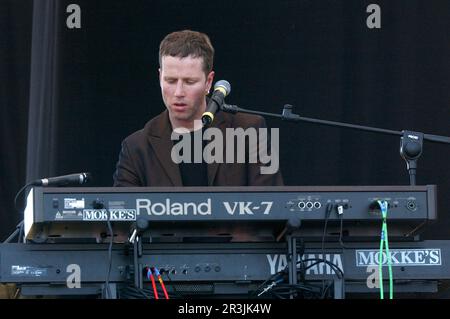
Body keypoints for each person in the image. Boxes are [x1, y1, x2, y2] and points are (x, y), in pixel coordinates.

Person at [113, 30, 283, 187]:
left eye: (189, 82)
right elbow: (121, 216)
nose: (179, 92)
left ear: (208, 82)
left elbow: (272, 209)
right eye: (170, 81)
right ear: (159, 77)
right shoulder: (136, 147)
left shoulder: (249, 130)